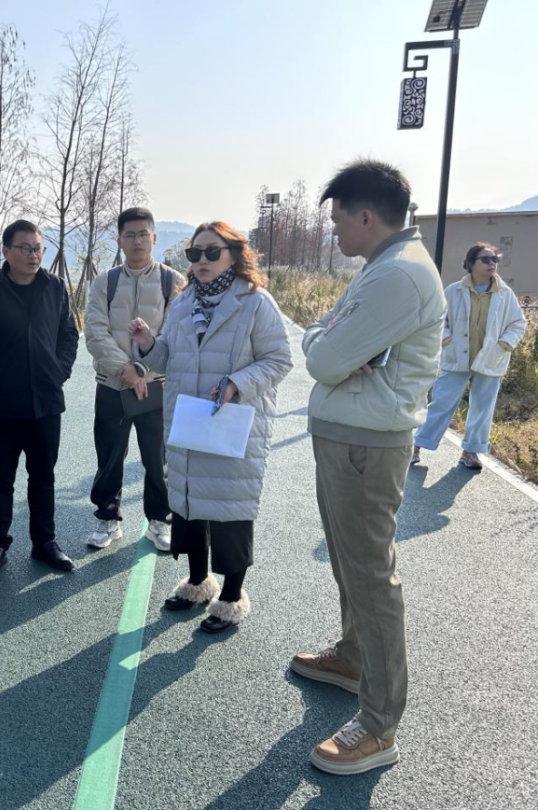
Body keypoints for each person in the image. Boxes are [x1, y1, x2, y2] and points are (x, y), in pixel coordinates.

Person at [294, 159, 445, 775]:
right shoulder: (384, 267)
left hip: (366, 443)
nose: (334, 231)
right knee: (350, 564)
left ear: (364, 215)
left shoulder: (398, 275)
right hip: (349, 435)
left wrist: (328, 344)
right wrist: (327, 341)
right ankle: (353, 658)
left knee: (370, 577)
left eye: (337, 221)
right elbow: (322, 338)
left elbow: (323, 358)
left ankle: (379, 726)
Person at [129, 221, 291, 632]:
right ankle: (198, 582)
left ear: (234, 254)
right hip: (189, 420)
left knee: (230, 511)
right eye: (194, 253)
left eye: (212, 252)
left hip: (233, 423)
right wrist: (149, 345)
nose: (201, 260)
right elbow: (168, 356)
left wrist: (237, 383)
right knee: (189, 506)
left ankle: (231, 598)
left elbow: (278, 359)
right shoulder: (184, 302)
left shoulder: (256, 302)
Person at [0, 219, 80, 579]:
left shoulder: (54, 286)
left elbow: (69, 334)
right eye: (25, 248)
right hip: (4, 403)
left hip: (46, 401)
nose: (33, 255)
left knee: (43, 477)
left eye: (38, 248)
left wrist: (58, 371)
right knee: (1, 478)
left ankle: (44, 543)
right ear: (6, 251)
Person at [84, 207, 184, 552]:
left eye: (143, 234)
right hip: (111, 386)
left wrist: (141, 370)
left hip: (155, 388)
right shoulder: (105, 282)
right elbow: (95, 333)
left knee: (157, 459)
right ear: (120, 240)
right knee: (109, 456)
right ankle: (107, 519)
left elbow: (174, 336)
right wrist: (124, 370)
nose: (137, 241)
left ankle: (159, 521)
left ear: (154, 237)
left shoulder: (173, 282)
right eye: (130, 235)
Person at [412, 242, 527, 470]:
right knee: (441, 403)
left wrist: (505, 343)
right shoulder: (453, 291)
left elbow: (518, 323)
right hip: (457, 357)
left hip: (490, 358)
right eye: (486, 259)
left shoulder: (505, 294)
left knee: (482, 408)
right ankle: (417, 446)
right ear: (471, 263)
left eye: (495, 259)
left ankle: (470, 452)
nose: (492, 263)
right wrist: (447, 339)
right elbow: (437, 319)